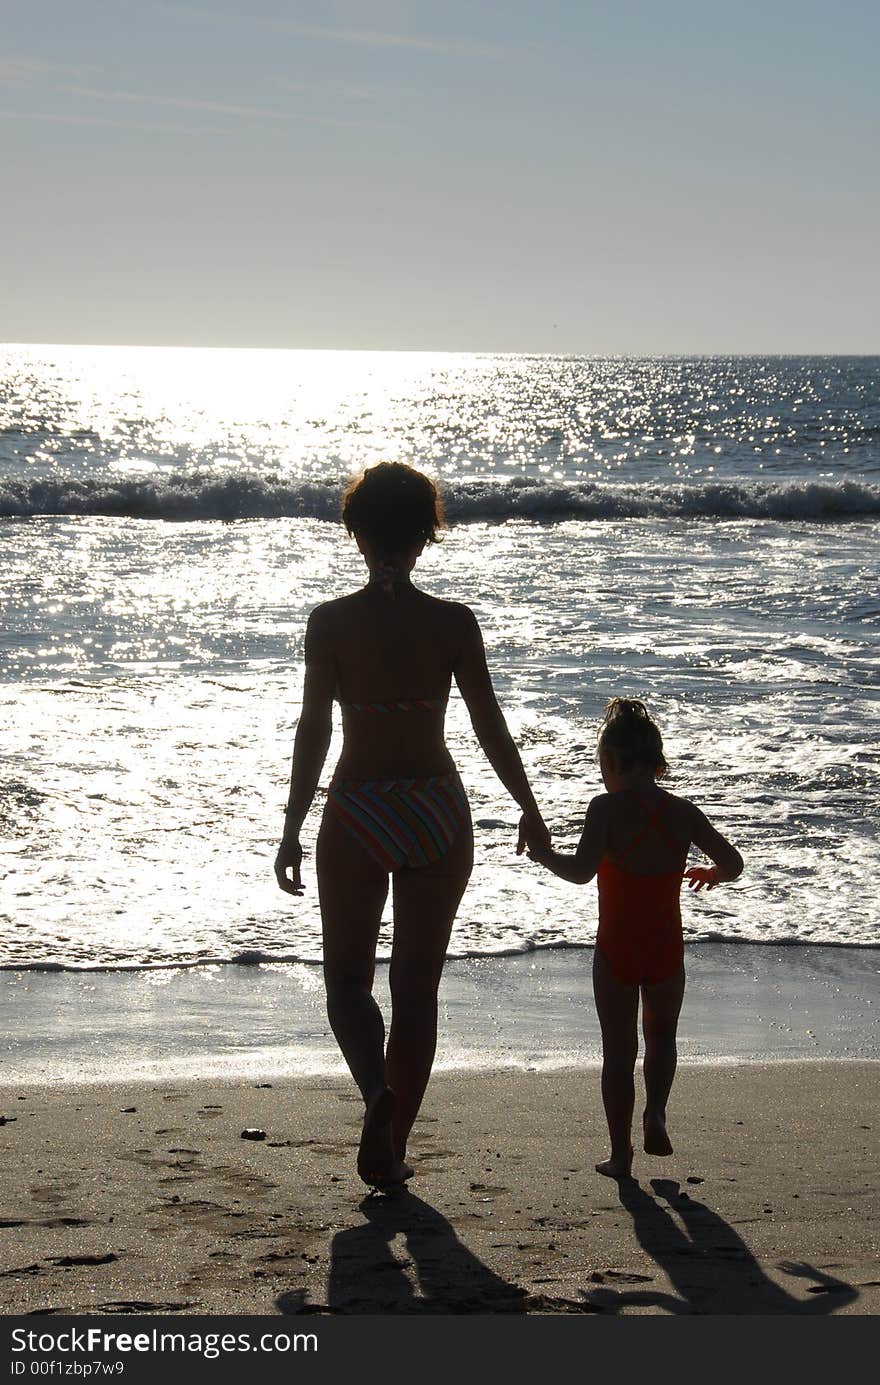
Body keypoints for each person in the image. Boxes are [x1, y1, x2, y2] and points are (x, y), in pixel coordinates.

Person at [274, 462, 549, 1190]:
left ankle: (374, 1094)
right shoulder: (453, 624)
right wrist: (528, 803)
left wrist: (292, 824)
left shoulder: (330, 623)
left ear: (356, 534)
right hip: (435, 806)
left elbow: (313, 731)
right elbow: (490, 725)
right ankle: (391, 1149)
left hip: (359, 805)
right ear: (426, 536)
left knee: (347, 986)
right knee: (417, 989)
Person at [524, 697, 743, 1180]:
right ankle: (657, 1113)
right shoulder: (684, 812)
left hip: (618, 948)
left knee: (618, 1051)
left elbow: (581, 873)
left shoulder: (604, 808)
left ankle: (620, 1156)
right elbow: (734, 862)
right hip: (666, 946)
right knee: (661, 1037)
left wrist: (543, 855)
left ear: (611, 762)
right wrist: (712, 873)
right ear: (657, 762)